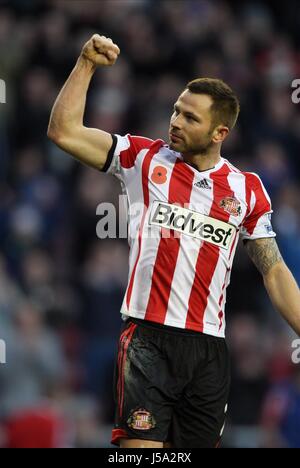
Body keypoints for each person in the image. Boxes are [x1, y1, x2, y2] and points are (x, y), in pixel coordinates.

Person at [47, 34, 300, 448]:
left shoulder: (247, 190)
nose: (176, 122)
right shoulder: (144, 159)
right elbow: (64, 132)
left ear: (219, 132)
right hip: (147, 342)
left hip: (208, 352)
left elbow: (274, 270)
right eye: (176, 111)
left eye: (189, 118)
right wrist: (86, 64)